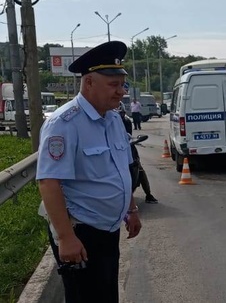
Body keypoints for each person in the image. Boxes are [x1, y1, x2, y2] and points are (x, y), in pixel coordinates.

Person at [36, 41, 141, 303]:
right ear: (89, 82)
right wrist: (66, 237)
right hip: (81, 231)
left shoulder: (114, 120)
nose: (121, 92)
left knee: (106, 295)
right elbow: (49, 182)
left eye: (122, 84)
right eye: (113, 85)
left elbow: (121, 169)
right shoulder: (64, 123)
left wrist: (131, 209)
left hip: (107, 229)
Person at [117, 103, 158, 204]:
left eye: (121, 114)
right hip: (113, 151)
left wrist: (131, 142)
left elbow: (128, 136)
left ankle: (148, 194)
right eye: (119, 114)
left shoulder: (126, 121)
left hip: (128, 147)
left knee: (139, 168)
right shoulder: (106, 121)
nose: (120, 116)